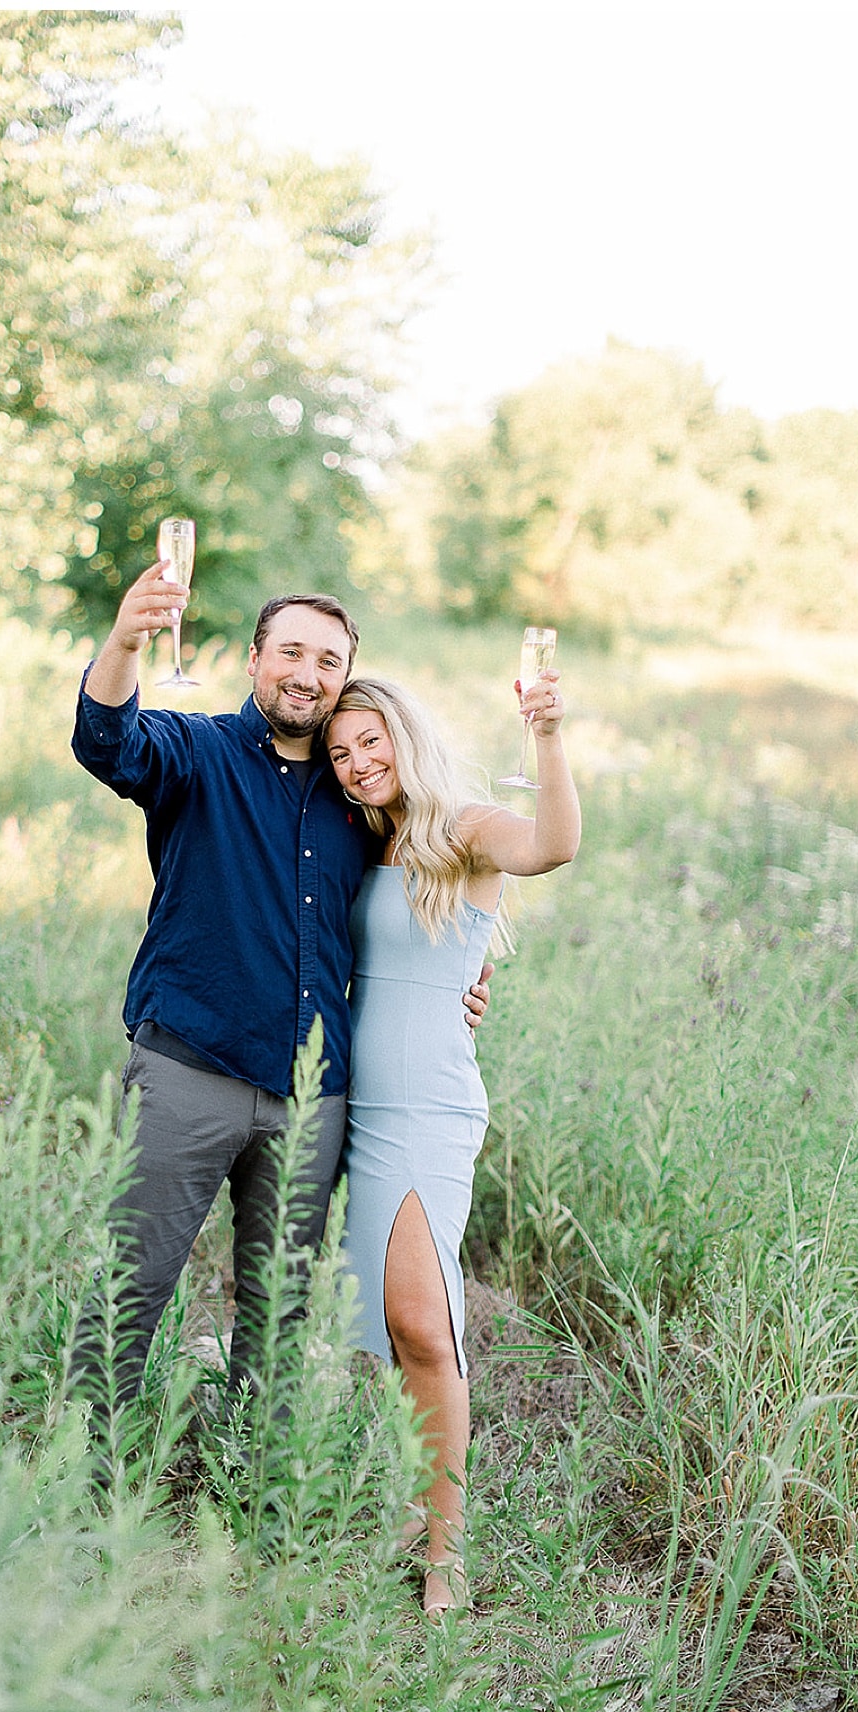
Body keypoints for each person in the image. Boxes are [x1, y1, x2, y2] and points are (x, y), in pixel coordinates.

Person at [67, 559, 491, 1482]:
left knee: (276, 1307)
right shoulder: (199, 755)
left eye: (328, 659)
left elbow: (430, 901)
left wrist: (473, 978)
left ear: (345, 677)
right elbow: (107, 740)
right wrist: (127, 636)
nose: (307, 671)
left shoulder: (361, 798)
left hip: (312, 1096)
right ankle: (80, 1472)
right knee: (132, 1284)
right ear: (255, 660)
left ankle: (243, 1472)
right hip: (192, 1068)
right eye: (290, 650)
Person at [324, 665, 581, 1617]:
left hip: (429, 1109)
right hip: (361, 1110)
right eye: (342, 754)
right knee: (394, 1330)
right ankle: (412, 1509)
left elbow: (553, 844)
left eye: (370, 743)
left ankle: (447, 1553)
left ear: (403, 735)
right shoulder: (358, 840)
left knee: (428, 1327)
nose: (355, 765)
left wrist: (548, 735)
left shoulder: (463, 829)